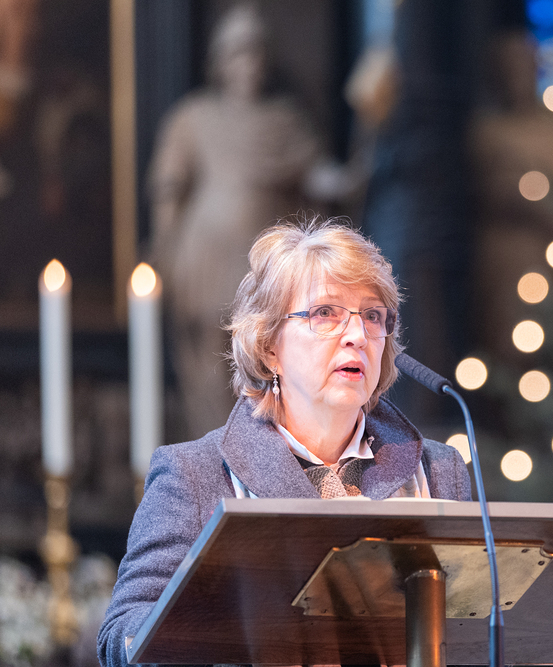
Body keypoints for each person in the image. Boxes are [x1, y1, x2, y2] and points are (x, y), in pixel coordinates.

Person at [97, 216, 472, 667]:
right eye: (326, 313)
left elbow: (478, 625)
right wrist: (230, 619)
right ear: (268, 346)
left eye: (373, 316)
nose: (357, 336)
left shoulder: (437, 471)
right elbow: (121, 637)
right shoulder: (193, 475)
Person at [150, 4, 321, 437]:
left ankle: (254, 457)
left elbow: (320, 179)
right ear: (220, 61)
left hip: (262, 265)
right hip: (204, 258)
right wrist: (165, 250)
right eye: (239, 53)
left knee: (264, 359)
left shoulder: (284, 121)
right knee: (209, 363)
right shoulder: (194, 117)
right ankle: (214, 454)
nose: (250, 64)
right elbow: (168, 189)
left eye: (257, 52)